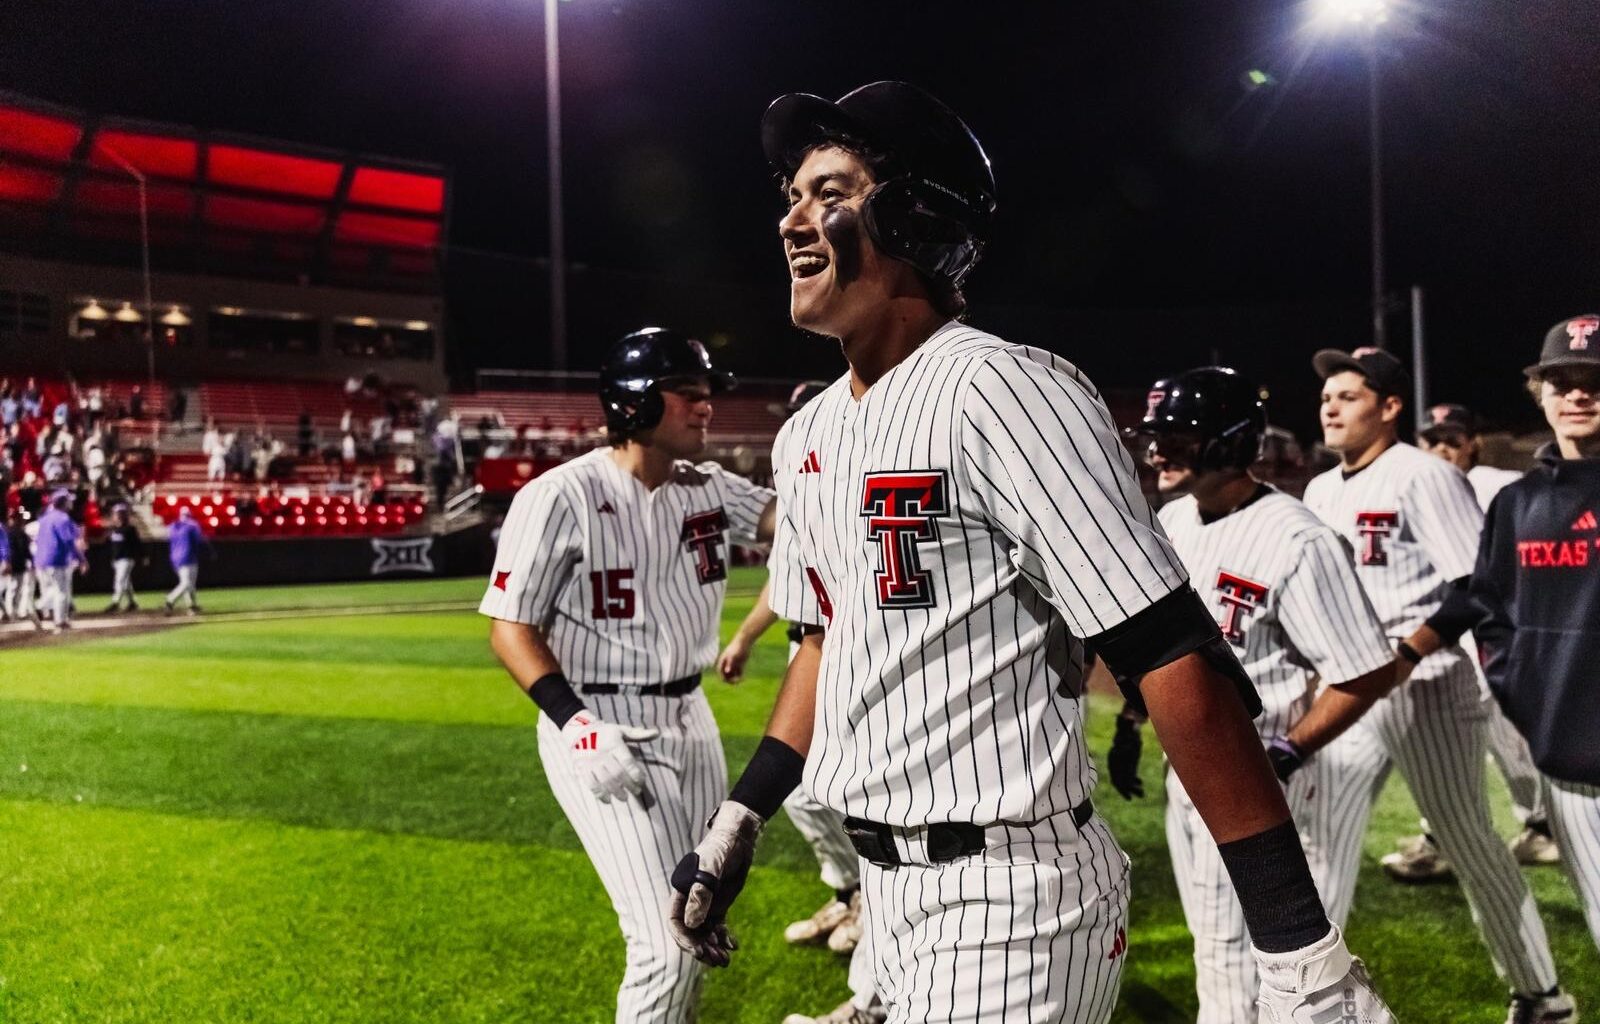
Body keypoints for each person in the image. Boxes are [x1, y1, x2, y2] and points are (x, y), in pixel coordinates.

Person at [666, 81, 1393, 1024]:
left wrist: (1299, 942)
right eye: (792, 196)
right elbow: (823, 642)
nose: (793, 222)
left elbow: (1170, 651)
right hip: (889, 898)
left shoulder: (1005, 388)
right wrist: (740, 817)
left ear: (916, 216)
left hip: (1012, 895)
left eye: (830, 193)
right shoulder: (811, 437)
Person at [480, 327, 776, 1024]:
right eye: (690, 396)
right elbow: (509, 628)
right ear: (637, 404)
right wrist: (577, 727)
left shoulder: (708, 487)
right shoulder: (559, 495)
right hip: (599, 722)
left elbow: (793, 520)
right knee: (665, 944)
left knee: (696, 917)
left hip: (691, 719)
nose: (707, 409)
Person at [1114, 366, 1404, 1021]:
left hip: (1268, 779)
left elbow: (1364, 670)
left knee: (1265, 968)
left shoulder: (1296, 537)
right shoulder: (1175, 518)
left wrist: (1287, 749)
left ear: (1227, 443)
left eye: (1177, 438)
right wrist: (1134, 722)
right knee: (1216, 953)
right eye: (1156, 437)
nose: (1157, 452)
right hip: (1190, 767)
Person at [1302, 346, 1572, 1023]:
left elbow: (1475, 588)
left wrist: (1406, 654)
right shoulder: (1320, 489)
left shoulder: (1423, 476)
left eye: (1349, 395)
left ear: (1390, 407)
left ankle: (1541, 994)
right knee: (1320, 845)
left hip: (1430, 687)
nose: (1330, 405)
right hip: (1351, 689)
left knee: (1469, 844)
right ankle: (1301, 998)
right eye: (1326, 395)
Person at [1404, 314, 1600, 954]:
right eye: (1561, 380)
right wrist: (1525, 693)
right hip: (1566, 766)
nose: (1577, 394)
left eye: (1594, 380)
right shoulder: (1517, 503)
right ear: (1540, 393)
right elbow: (1487, 605)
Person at [717, 379, 882, 1024]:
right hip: (808, 647)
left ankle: (870, 937)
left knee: (857, 797)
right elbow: (786, 586)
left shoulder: (866, 487)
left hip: (857, 656)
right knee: (812, 794)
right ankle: (851, 896)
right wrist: (745, 636)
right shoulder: (807, 482)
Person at [1383, 403, 1559, 881]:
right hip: (1451, 628)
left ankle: (1536, 826)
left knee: (1508, 737)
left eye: (1452, 439)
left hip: (1496, 629)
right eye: (1432, 439)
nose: (1441, 448)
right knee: (1461, 743)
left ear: (1472, 443)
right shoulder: (1416, 482)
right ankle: (1454, 833)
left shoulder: (1497, 482)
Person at [34, 489, 86, 631]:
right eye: (69, 500)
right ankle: (59, 621)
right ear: (63, 502)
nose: (71, 502)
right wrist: (81, 558)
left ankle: (40, 608)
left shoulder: (45, 518)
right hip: (56, 558)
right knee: (61, 591)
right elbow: (68, 541)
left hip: (42, 559)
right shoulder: (62, 518)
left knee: (54, 589)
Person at [164, 507, 209, 615]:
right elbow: (198, 541)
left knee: (190, 584)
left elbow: (170, 541)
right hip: (188, 557)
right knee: (187, 583)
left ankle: (191, 606)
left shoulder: (172, 526)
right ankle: (170, 599)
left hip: (175, 558)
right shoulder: (193, 525)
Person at [106, 502, 145, 613]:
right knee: (126, 583)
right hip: (117, 559)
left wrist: (142, 556)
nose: (118, 515)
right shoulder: (113, 529)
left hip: (126, 559)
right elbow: (112, 546)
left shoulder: (130, 529)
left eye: (121, 513)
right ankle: (132, 602)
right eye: (117, 513)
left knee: (119, 580)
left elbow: (138, 544)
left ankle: (115, 602)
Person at [2, 508, 36, 625]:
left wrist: (32, 561)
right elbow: (6, 549)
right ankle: (8, 613)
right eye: (20, 517)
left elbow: (26, 550)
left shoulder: (21, 532)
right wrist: (7, 562)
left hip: (19, 565)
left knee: (16, 590)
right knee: (10, 589)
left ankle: (12, 613)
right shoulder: (6, 531)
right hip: (8, 565)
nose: (22, 520)